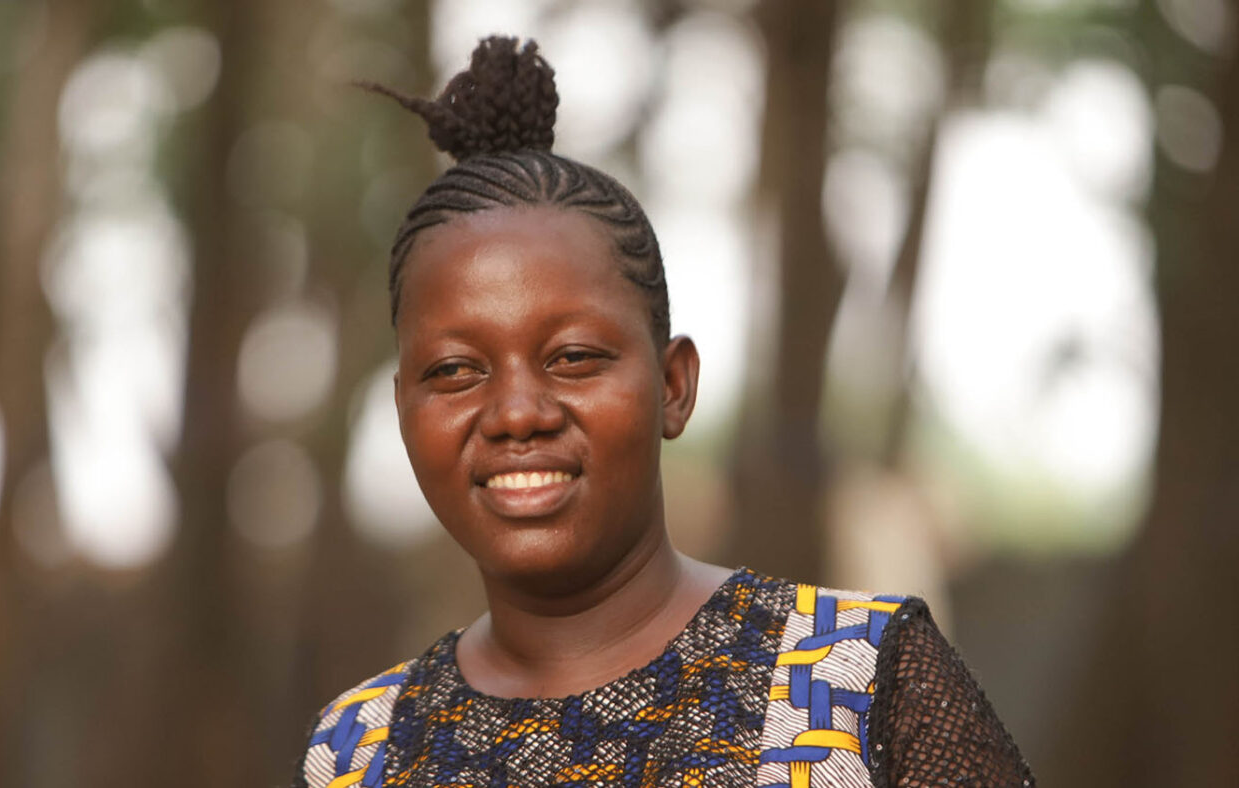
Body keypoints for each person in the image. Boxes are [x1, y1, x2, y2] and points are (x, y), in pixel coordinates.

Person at [292, 36, 1034, 788]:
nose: (517, 413)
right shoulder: (355, 751)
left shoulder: (858, 681)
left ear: (673, 386)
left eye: (573, 357)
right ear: (404, 411)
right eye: (455, 371)